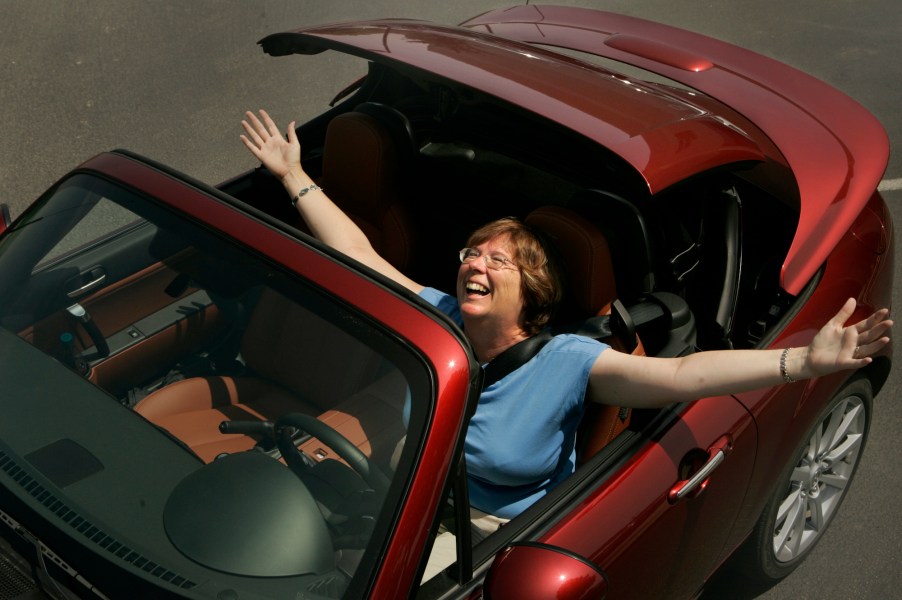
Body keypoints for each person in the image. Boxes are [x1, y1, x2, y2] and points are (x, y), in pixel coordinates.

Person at [240, 109, 893, 527]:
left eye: (499, 259)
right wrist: (296, 175)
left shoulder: (568, 362)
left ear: (533, 292)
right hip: (404, 505)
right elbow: (357, 253)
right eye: (471, 252)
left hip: (496, 539)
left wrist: (803, 361)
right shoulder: (436, 314)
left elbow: (687, 375)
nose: (476, 262)